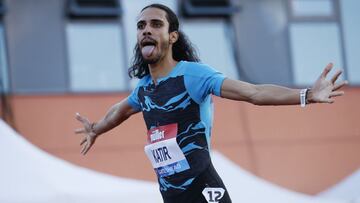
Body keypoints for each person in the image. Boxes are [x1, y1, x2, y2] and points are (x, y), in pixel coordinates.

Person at [74, 3, 347, 203]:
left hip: (203, 190)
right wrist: (96, 128)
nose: (146, 30)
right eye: (141, 25)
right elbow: (120, 111)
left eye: (156, 24)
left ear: (172, 36)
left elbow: (253, 92)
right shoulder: (144, 88)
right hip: (170, 196)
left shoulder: (194, 75)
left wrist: (307, 95)